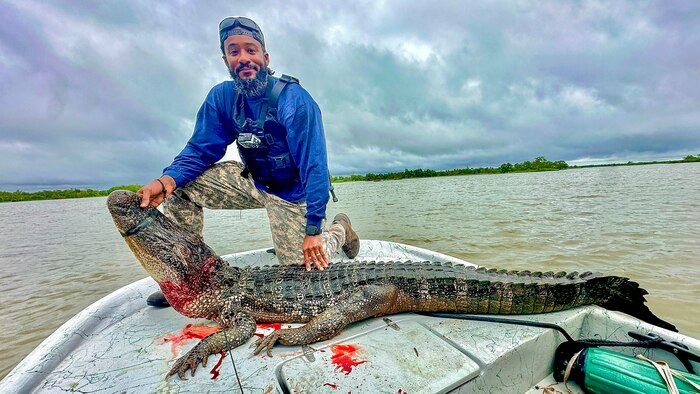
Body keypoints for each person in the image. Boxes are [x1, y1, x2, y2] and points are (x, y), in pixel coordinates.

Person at [137, 16, 360, 307]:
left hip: (293, 194)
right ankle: (187, 279)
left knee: (303, 275)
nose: (243, 58)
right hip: (252, 181)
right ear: (226, 59)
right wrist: (165, 180)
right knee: (179, 186)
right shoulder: (222, 98)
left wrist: (313, 230)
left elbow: (315, 167)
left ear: (265, 57)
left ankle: (340, 230)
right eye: (234, 51)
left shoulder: (294, 100)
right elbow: (201, 149)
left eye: (251, 50)